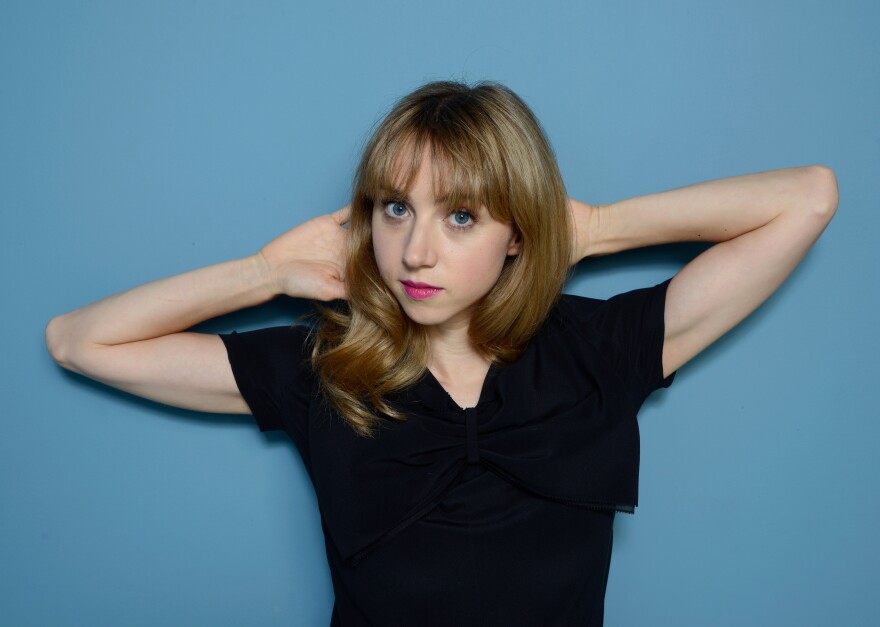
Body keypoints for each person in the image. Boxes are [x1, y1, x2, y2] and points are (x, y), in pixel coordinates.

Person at [45, 80, 838, 626]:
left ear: (516, 233)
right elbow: (78, 341)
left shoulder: (597, 351)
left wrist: (591, 228)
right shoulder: (327, 365)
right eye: (396, 208)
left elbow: (808, 197)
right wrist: (265, 272)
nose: (415, 250)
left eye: (461, 216)